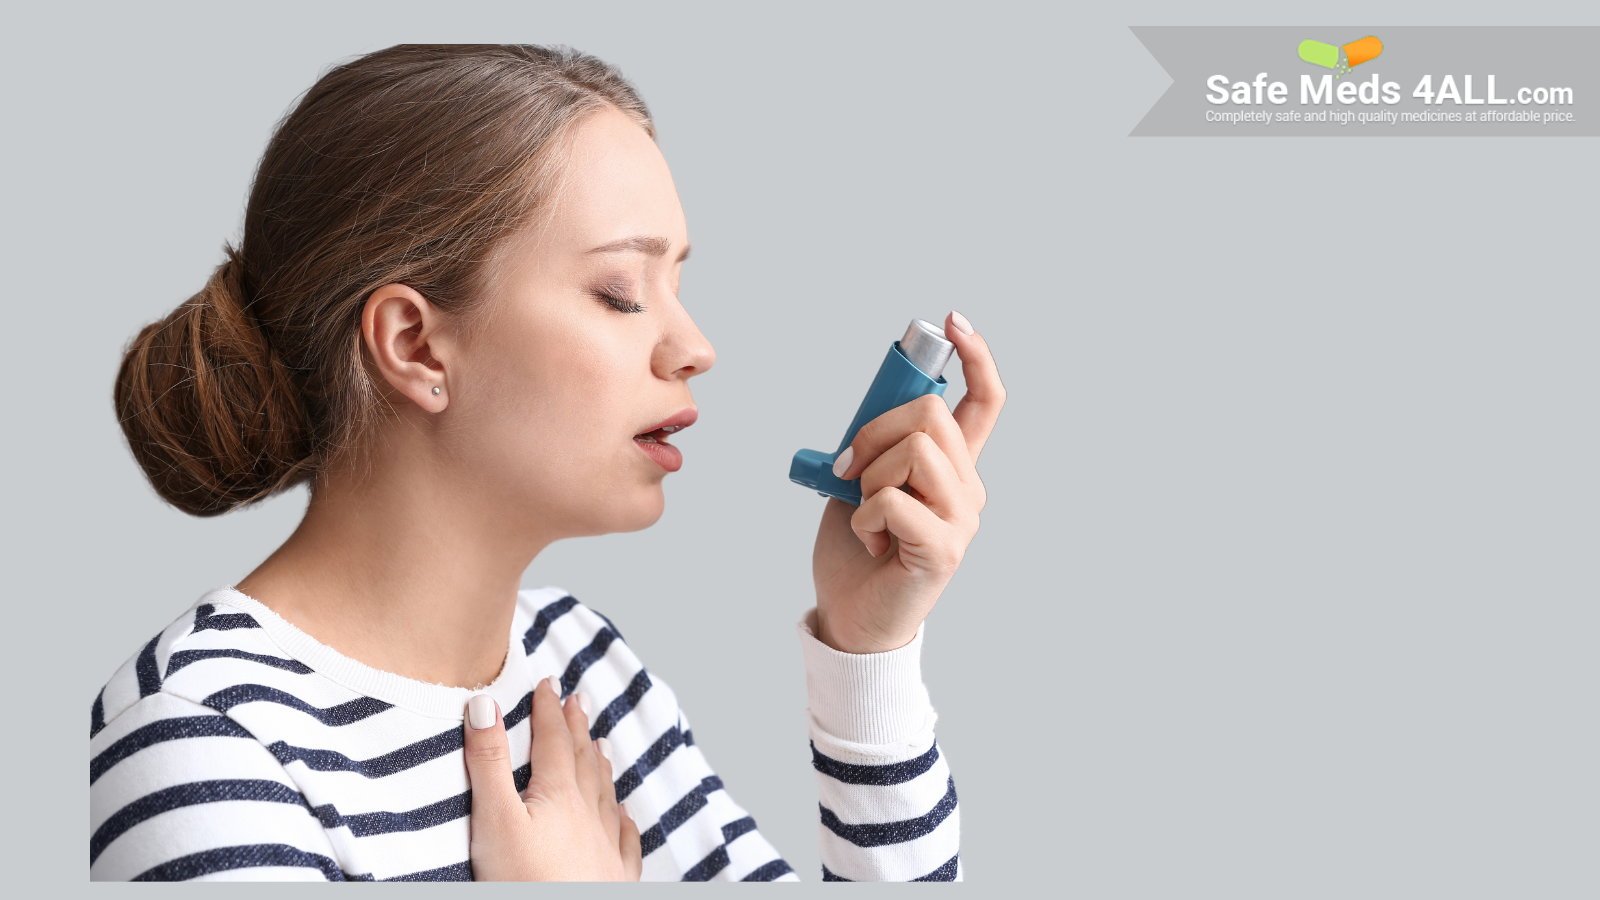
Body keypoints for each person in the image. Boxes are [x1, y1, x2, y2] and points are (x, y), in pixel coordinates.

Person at [89, 44, 1004, 882]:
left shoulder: (582, 668)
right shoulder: (204, 744)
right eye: (618, 293)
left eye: (676, 285)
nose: (694, 347)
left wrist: (866, 655)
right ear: (416, 344)